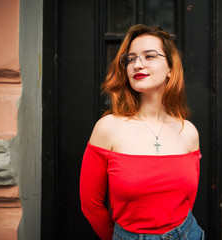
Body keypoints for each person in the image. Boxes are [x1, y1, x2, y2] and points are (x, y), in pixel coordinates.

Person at [79, 24, 204, 240]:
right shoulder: (108, 128)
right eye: (131, 58)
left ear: (171, 69)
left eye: (149, 56)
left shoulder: (188, 132)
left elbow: (187, 202)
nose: (137, 64)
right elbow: (91, 206)